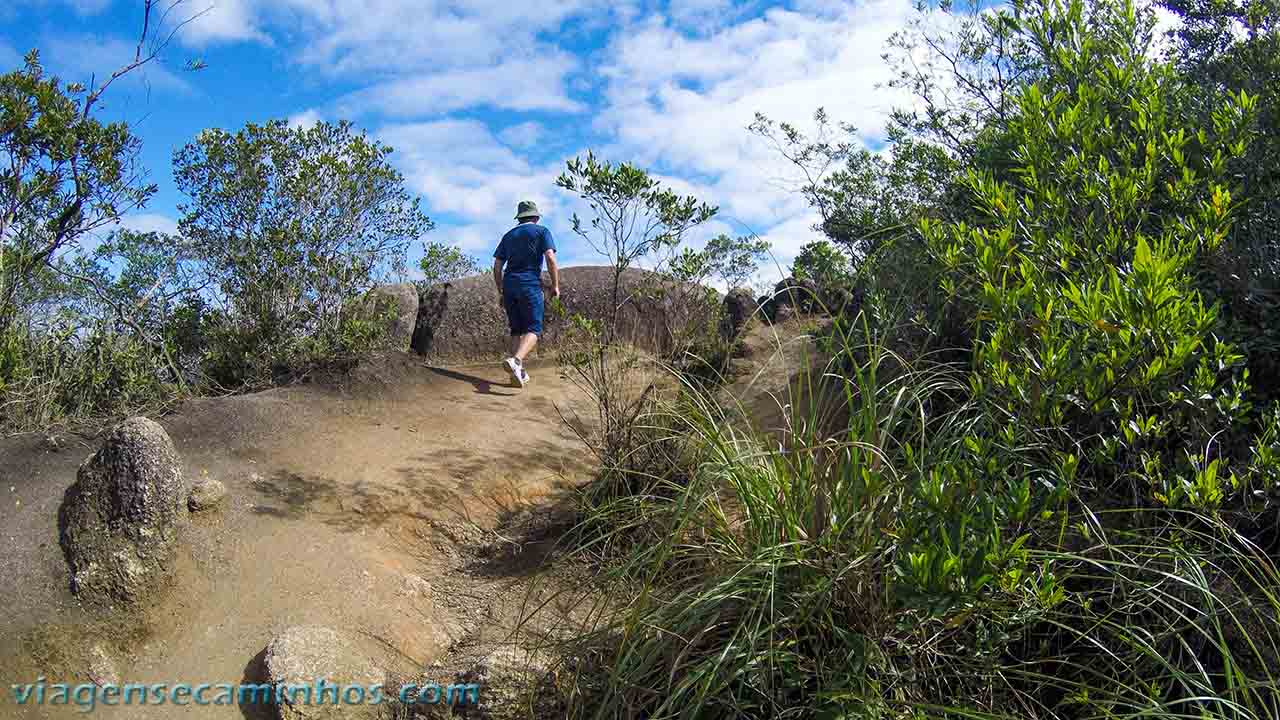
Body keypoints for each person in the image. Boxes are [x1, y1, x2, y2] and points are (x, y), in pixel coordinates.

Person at [493, 200, 560, 387]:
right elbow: (550, 258)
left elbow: (498, 266)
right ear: (536, 217)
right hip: (529, 284)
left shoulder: (508, 235)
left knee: (516, 330)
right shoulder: (542, 232)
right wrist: (555, 285)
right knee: (534, 329)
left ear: (520, 218)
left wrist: (500, 289)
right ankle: (516, 362)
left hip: (509, 285)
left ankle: (517, 373)